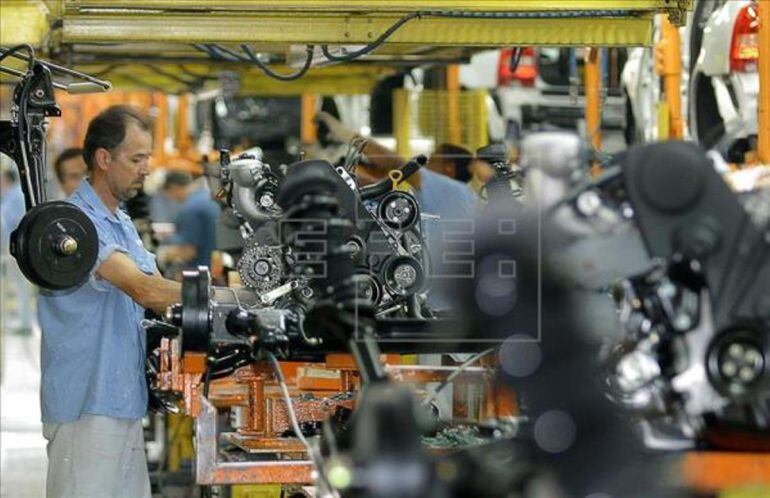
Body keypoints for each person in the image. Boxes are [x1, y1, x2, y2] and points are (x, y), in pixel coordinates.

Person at [37, 105, 182, 498]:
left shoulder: (119, 221)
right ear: (104, 158)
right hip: (87, 408)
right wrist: (236, 298)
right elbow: (145, 289)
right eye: (136, 158)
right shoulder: (75, 222)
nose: (146, 168)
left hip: (121, 403)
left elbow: (152, 288)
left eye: (147, 158)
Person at [159, 173, 220, 269]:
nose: (172, 198)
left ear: (174, 187)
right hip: (217, 267)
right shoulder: (207, 196)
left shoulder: (190, 209)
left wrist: (160, 256)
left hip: (200, 271)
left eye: (169, 193)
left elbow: (188, 252)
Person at [1, 166, 34, 334]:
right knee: (16, 287)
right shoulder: (9, 196)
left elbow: (15, 221)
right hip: (9, 249)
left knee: (22, 287)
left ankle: (25, 323)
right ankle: (20, 321)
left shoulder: (15, 195)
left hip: (16, 249)